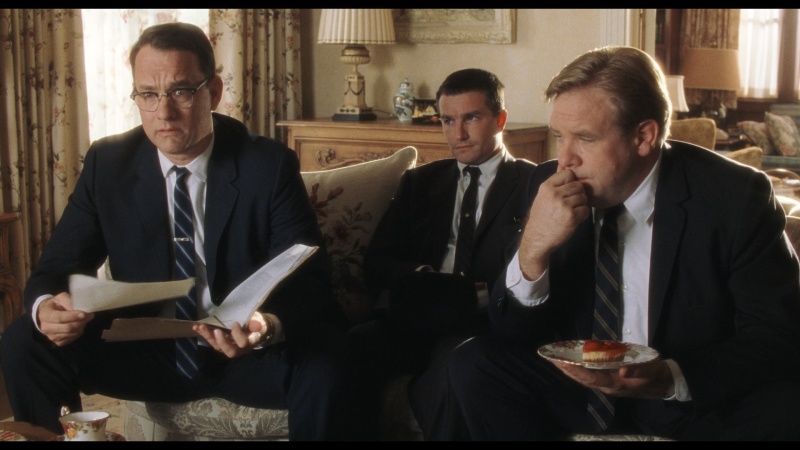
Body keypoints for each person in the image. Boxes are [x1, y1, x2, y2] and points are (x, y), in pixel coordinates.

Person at [0, 22, 353, 441]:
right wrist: (47, 308)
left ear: (213, 92)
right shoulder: (108, 163)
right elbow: (56, 268)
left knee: (330, 360)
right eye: (148, 94)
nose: (163, 113)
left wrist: (265, 324)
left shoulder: (267, 165)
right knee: (25, 340)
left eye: (181, 91)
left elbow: (309, 280)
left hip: (240, 352)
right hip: (145, 353)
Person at [446, 45, 800, 440]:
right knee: (473, 363)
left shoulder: (734, 197)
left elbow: (776, 336)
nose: (565, 160)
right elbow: (509, 333)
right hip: (578, 390)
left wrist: (669, 378)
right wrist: (533, 249)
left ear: (644, 136)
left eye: (585, 138)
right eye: (559, 136)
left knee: (788, 406)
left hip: (682, 394)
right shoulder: (547, 184)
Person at [351, 68, 537, 440]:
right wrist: (426, 281)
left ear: (500, 120)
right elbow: (377, 263)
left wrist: (471, 296)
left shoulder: (532, 184)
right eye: (448, 121)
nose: (458, 134)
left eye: (471, 118)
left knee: (452, 370)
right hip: (417, 317)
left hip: (482, 325)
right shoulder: (420, 183)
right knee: (343, 353)